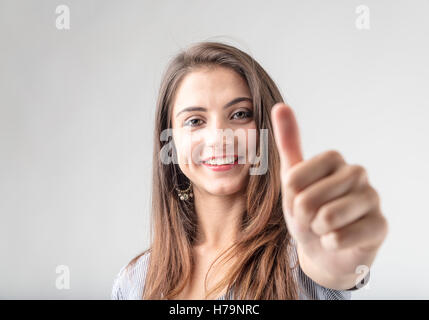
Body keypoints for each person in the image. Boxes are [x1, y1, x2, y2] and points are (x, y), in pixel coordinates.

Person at [111, 41, 388, 300]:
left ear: (265, 129)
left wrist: (343, 266)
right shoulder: (135, 280)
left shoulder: (302, 258)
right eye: (195, 120)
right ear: (169, 141)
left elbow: (331, 269)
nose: (219, 137)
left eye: (240, 114)